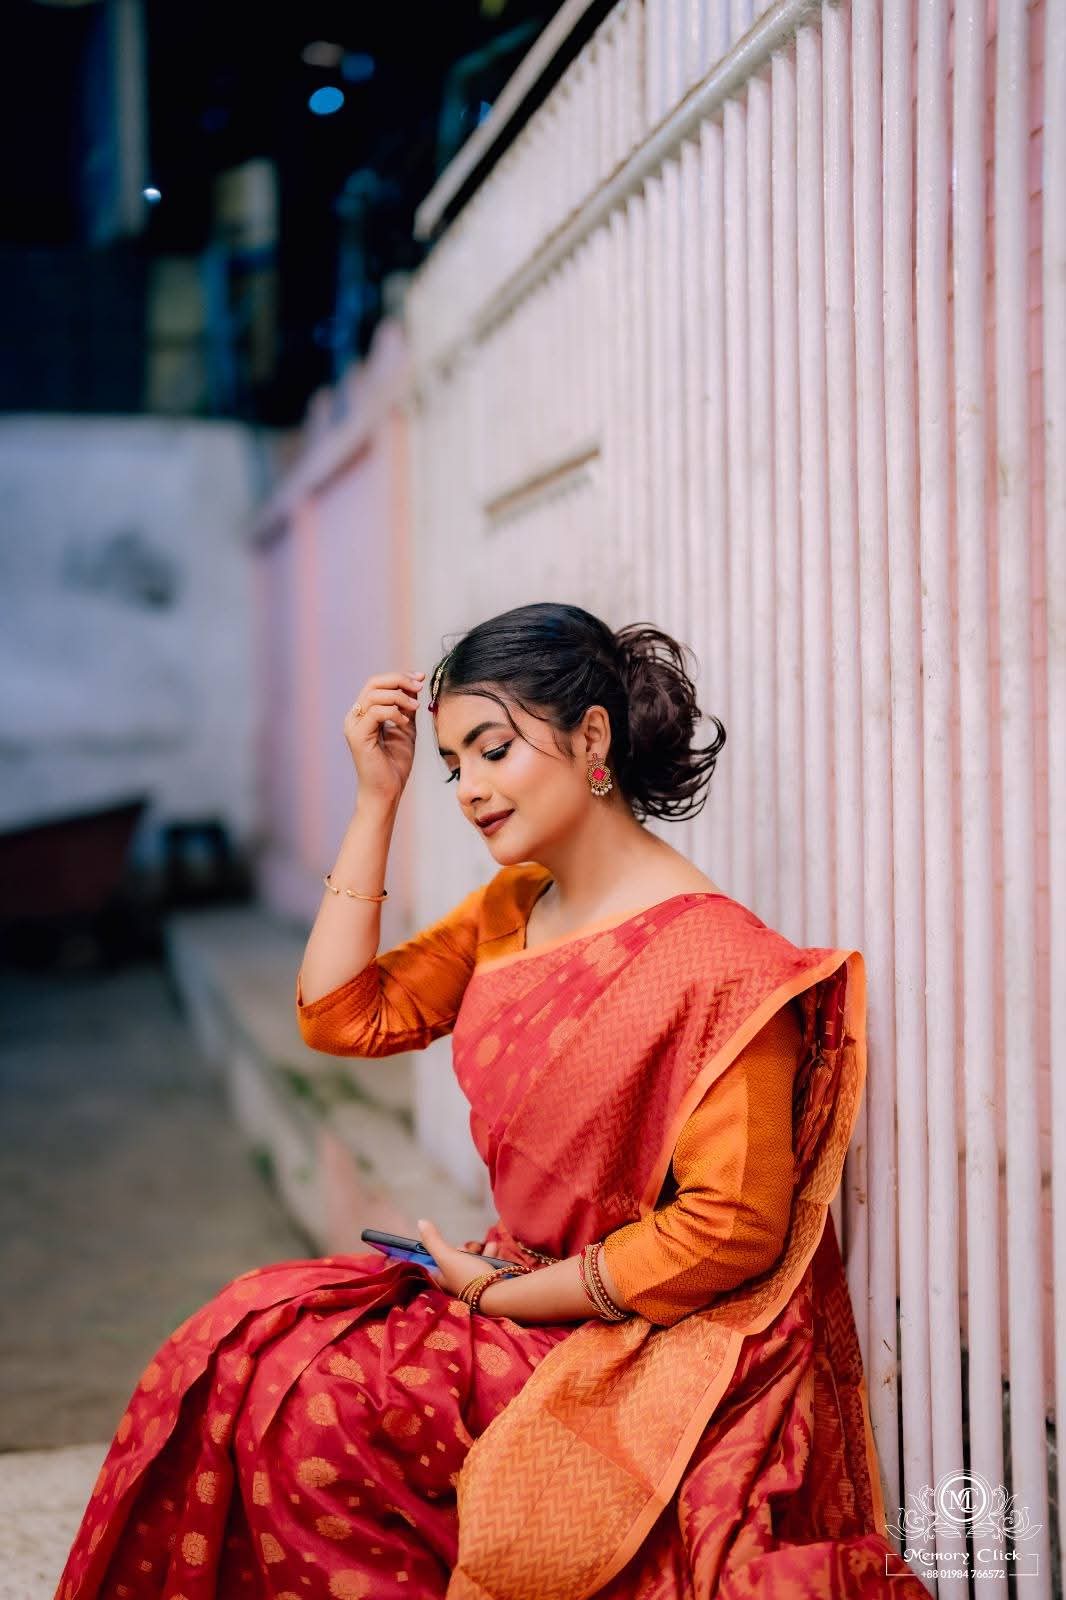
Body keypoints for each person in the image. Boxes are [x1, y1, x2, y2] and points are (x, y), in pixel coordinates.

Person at [56, 602, 928, 1599]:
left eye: (492, 749)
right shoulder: (514, 911)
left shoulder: (718, 964)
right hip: (510, 1288)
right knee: (240, 1342)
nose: (469, 789)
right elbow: (343, 1016)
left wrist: (499, 1294)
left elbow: (727, 1233)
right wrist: (374, 803)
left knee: (322, 1404)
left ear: (590, 738)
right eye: (450, 766)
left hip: (632, 1333)